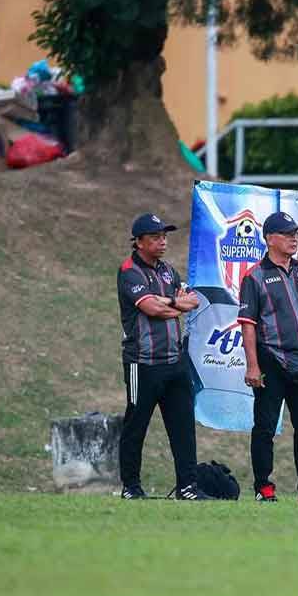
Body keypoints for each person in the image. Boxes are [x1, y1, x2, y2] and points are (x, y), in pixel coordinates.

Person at [237, 212, 298, 503]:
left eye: (297, 234)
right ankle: (263, 487)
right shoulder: (254, 276)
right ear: (269, 238)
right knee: (265, 428)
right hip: (272, 362)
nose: (295, 238)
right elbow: (247, 324)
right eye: (288, 233)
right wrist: (253, 365)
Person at [116, 212, 212, 501]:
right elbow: (151, 309)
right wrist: (173, 305)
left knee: (183, 427)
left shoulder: (168, 271)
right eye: (156, 237)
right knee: (136, 426)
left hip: (175, 362)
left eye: (164, 236)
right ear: (140, 242)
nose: (163, 242)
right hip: (142, 363)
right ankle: (131, 488)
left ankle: (188, 488)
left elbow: (192, 300)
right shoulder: (129, 271)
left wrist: (169, 302)